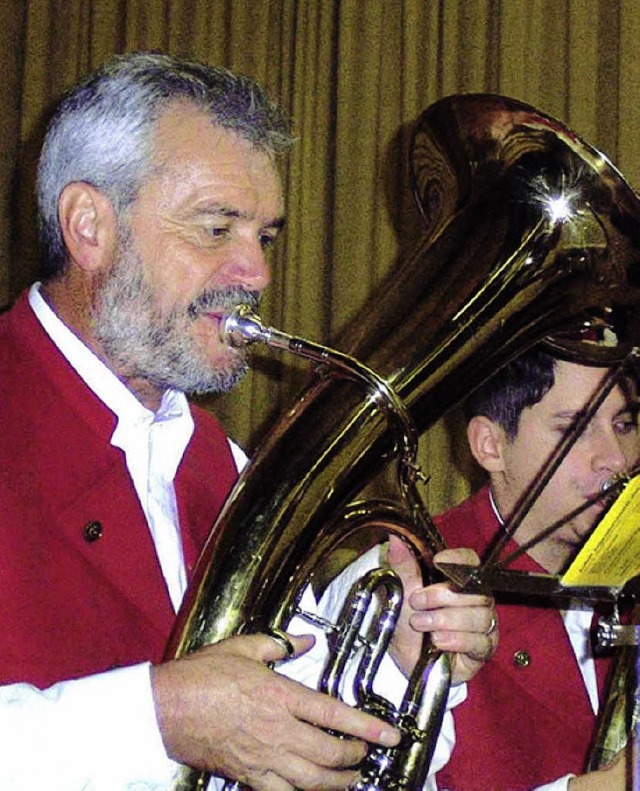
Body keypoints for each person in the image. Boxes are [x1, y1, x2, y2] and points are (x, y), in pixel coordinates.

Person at [0, 51, 496, 790]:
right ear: (88, 225)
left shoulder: (220, 461)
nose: (258, 274)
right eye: (215, 228)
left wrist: (399, 654)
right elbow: (187, 719)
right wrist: (157, 721)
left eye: (263, 236)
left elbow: (289, 726)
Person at [374, 347, 638, 790]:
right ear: (490, 446)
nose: (615, 458)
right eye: (574, 428)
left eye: (625, 425)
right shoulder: (405, 584)